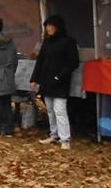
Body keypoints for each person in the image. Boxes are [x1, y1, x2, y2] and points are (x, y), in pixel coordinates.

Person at [30, 14, 78, 150]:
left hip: (60, 82)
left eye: (50, 26)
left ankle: (65, 139)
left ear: (58, 26)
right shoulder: (47, 42)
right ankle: (54, 134)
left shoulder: (69, 42)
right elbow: (40, 61)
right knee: (50, 110)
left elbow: (73, 62)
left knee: (60, 110)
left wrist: (59, 76)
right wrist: (34, 78)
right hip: (46, 81)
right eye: (47, 26)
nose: (48, 29)